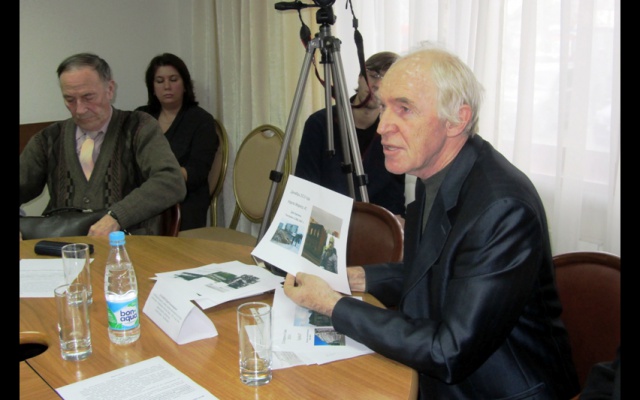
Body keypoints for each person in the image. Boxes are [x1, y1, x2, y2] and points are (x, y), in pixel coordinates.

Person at [283, 46, 581, 399]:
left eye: (404, 109)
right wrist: (354, 277)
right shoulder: (435, 173)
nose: (382, 127)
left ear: (456, 120)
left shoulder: (502, 208)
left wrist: (332, 304)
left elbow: (448, 351)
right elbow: (436, 272)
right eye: (383, 107)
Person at [20, 53, 186, 237]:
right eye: (70, 99)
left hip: (128, 245)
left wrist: (117, 216)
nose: (80, 109)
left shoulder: (139, 127)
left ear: (110, 89)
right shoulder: (47, 139)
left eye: (88, 97)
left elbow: (171, 181)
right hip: (64, 247)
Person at [295, 51, 406, 224]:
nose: (377, 85)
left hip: (371, 228)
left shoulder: (394, 133)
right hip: (323, 223)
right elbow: (305, 189)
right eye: (373, 75)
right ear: (360, 77)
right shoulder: (320, 124)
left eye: (387, 80)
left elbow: (394, 200)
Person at [136, 53, 218, 231]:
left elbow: (198, 171)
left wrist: (161, 177)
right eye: (159, 81)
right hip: (143, 196)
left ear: (185, 84)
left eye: (173, 79)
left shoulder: (201, 120)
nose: (167, 86)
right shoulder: (141, 117)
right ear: (152, 87)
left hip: (184, 200)